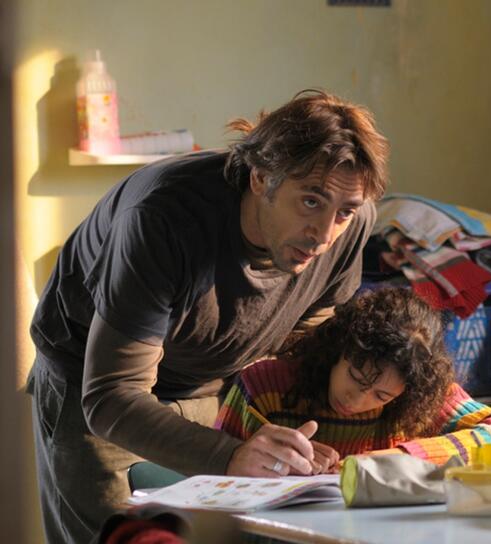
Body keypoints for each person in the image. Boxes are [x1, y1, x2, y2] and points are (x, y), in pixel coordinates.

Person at [27, 89, 389, 543]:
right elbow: (110, 397)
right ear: (260, 178)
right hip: (96, 392)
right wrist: (229, 456)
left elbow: (306, 334)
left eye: (345, 212)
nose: (324, 234)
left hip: (215, 389)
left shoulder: (350, 222)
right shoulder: (162, 219)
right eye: (311, 201)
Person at [215, 288, 491, 474]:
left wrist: (404, 460)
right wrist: (276, 463)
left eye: (381, 395)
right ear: (337, 349)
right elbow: (212, 475)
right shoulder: (265, 385)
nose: (356, 401)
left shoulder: (420, 397)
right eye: (355, 377)